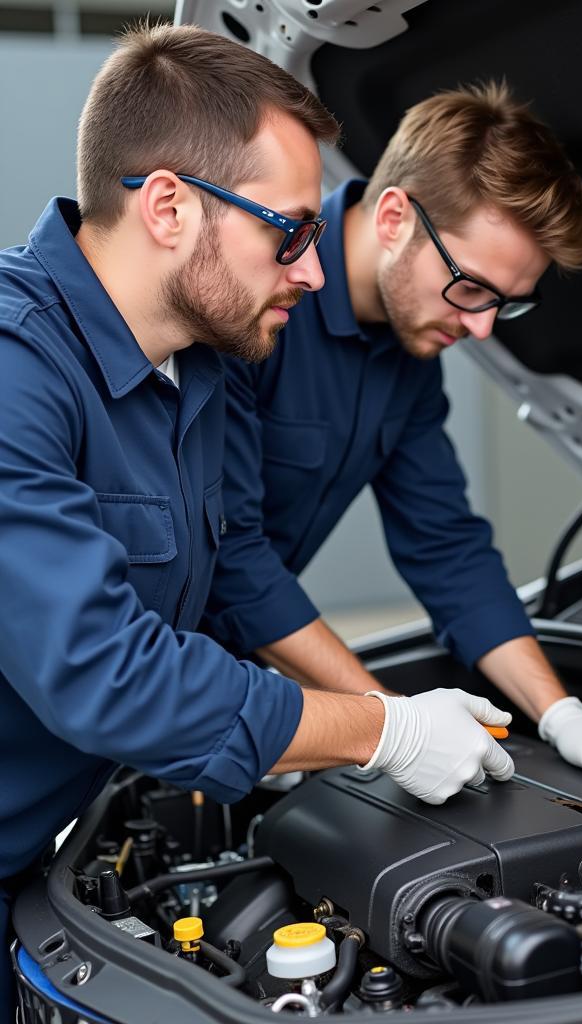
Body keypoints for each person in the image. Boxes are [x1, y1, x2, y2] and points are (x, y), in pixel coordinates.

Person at [0, 28, 516, 1015]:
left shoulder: (195, 373)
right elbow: (109, 675)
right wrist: (381, 727)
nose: (314, 271)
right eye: (287, 232)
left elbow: (229, 572)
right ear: (166, 206)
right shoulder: (15, 369)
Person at [203, 83, 582, 803]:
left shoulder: (411, 359)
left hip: (227, 677)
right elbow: (231, 557)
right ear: (395, 216)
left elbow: (447, 549)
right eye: (472, 287)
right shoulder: (263, 304)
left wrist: (563, 717)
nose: (485, 328)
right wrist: (390, 724)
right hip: (124, 669)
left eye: (508, 302)